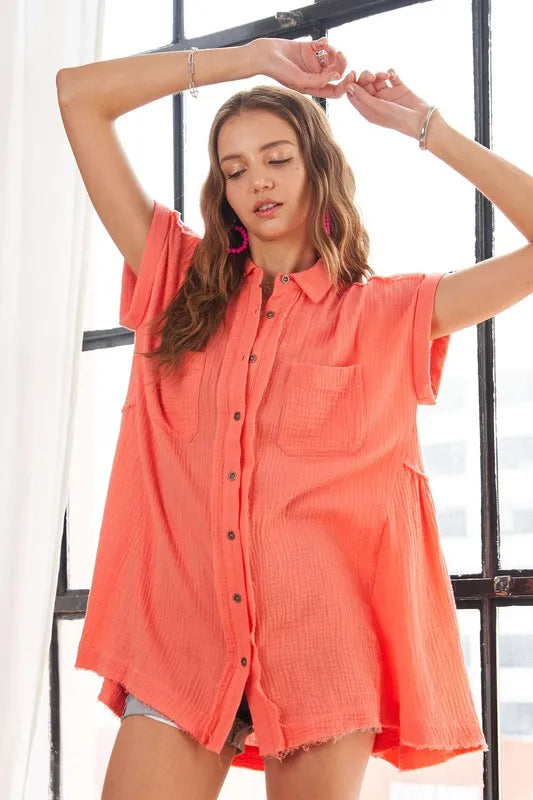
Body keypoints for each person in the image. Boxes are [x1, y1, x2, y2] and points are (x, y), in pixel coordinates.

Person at [57, 33, 533, 799]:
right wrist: (246, 59)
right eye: (234, 168)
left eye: (276, 158)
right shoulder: (175, 278)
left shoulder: (389, 314)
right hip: (182, 646)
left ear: (317, 168)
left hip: (323, 656)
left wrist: (426, 127)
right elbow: (78, 96)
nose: (256, 181)